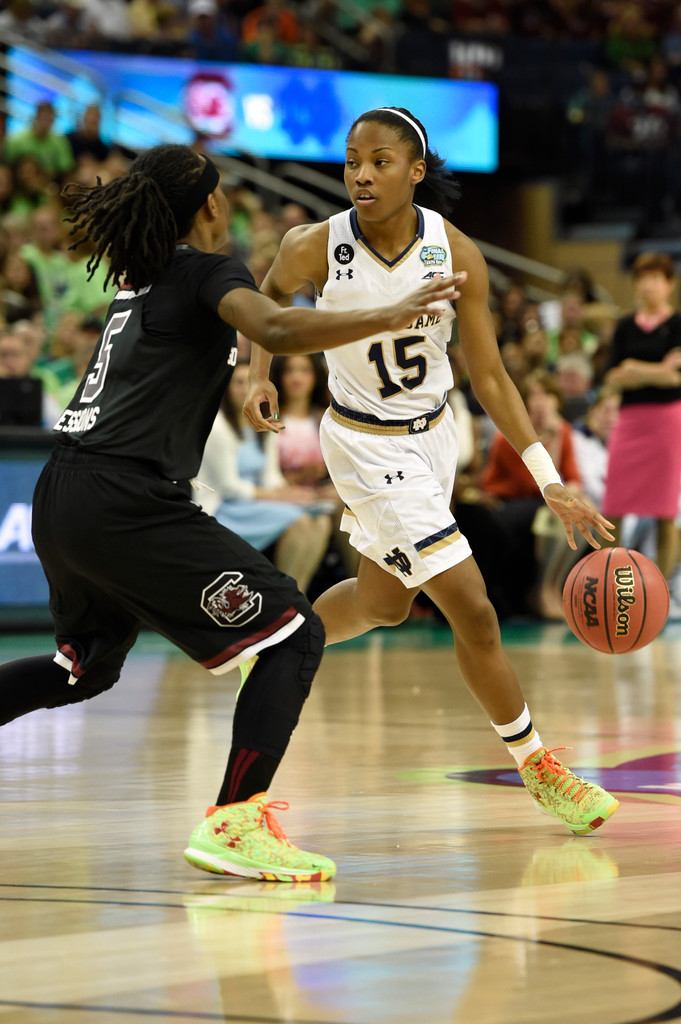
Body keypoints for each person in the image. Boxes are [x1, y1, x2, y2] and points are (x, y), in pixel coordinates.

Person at [0, 142, 463, 882]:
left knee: (80, 669)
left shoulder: (141, 276)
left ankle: (235, 818)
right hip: (124, 498)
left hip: (63, 491)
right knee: (295, 631)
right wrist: (390, 312)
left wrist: (257, 374)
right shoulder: (205, 270)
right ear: (213, 204)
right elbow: (274, 327)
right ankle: (236, 822)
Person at [244, 106, 619, 837]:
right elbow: (267, 299)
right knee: (473, 609)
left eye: (379, 162)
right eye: (352, 160)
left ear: (415, 171)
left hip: (433, 441)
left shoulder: (456, 253)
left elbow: (491, 377)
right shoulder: (317, 244)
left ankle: (276, 641)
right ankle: (539, 767)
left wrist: (547, 477)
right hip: (364, 445)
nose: (360, 174)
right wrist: (258, 372)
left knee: (383, 604)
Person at [196, 359, 332, 594]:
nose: (245, 389)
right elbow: (230, 488)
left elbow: (271, 478)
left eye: (249, 383)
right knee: (300, 522)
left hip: (256, 502)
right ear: (227, 388)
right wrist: (282, 497)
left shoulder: (265, 425)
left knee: (321, 520)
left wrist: (296, 494)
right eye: (238, 383)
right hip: (225, 508)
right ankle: (285, 595)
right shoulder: (218, 427)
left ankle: (298, 592)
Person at [602, 251, 681, 579]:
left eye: (656, 278)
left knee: (665, 509)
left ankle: (663, 587)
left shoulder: (677, 324)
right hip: (629, 421)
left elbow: (676, 380)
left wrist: (633, 368)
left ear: (670, 284)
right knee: (613, 504)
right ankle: (608, 580)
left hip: (666, 421)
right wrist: (659, 370)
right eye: (643, 278)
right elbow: (611, 376)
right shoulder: (624, 326)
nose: (648, 285)